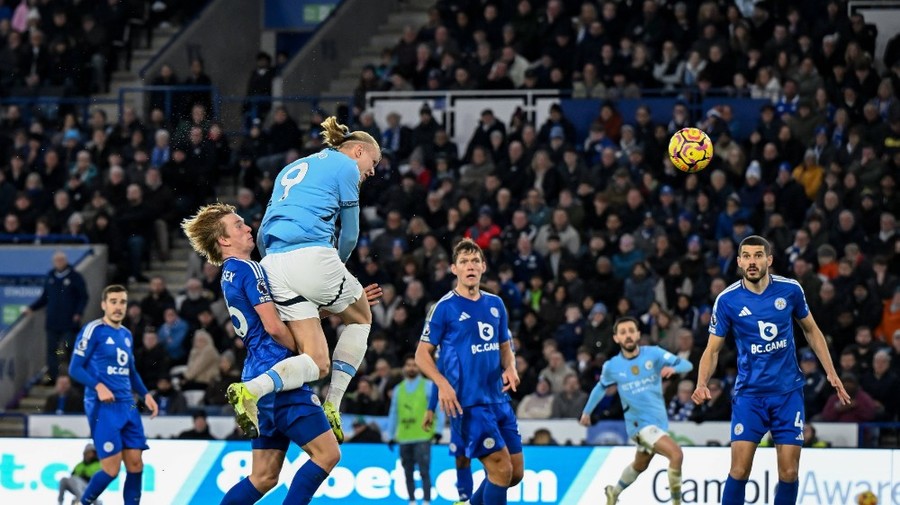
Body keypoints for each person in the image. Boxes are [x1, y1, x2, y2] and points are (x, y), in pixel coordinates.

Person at [181, 203, 380, 504]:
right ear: (223, 241)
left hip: (255, 373)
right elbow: (275, 327)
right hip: (279, 377)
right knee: (327, 455)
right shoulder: (250, 269)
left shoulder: (229, 274)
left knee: (263, 478)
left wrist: (340, 310)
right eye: (238, 226)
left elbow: (276, 322)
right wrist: (304, 350)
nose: (248, 228)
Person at [692, 235, 849, 505]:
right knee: (739, 470)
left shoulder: (790, 290)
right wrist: (701, 382)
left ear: (769, 259)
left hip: (787, 393)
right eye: (747, 256)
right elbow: (712, 349)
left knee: (789, 472)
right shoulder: (727, 300)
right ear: (739, 261)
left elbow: (811, 330)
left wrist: (831, 372)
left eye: (758, 256)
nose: (752, 262)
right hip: (749, 396)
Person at [256, 116, 381, 443]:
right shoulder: (346, 169)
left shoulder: (292, 167)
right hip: (312, 255)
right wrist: (333, 268)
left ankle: (252, 389)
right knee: (362, 318)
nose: (373, 171)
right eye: (373, 161)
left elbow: (260, 234)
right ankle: (333, 404)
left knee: (314, 357)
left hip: (272, 261)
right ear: (357, 151)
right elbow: (351, 235)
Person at [416, 238, 524, 505]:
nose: (470, 266)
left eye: (475, 260)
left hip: (498, 399)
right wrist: (442, 384)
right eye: (464, 261)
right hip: (468, 403)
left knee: (515, 473)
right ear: (454, 269)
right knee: (500, 469)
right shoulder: (444, 308)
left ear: (483, 267)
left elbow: (503, 344)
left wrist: (510, 366)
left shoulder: (496, 304)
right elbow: (421, 354)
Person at [580, 316, 692, 505]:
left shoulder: (654, 354)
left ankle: (614, 492)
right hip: (638, 425)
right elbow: (600, 387)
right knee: (676, 454)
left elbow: (686, 364)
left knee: (640, 465)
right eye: (623, 333)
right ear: (616, 338)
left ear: (638, 334)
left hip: (658, 422)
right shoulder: (612, 366)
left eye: (631, 331)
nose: (628, 336)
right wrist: (587, 412)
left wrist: (673, 370)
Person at [67, 284, 159, 505]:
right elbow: (75, 368)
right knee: (111, 469)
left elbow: (131, 370)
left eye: (123, 302)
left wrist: (145, 394)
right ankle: (83, 502)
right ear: (104, 305)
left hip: (127, 405)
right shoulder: (94, 330)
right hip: (103, 408)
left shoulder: (126, 335)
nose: (118, 307)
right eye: (114, 302)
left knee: (136, 464)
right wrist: (98, 386)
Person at [25, 251, 88, 384]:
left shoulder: (75, 277)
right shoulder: (50, 276)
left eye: (61, 260)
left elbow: (83, 297)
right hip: (53, 321)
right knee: (51, 350)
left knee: (69, 347)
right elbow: (44, 297)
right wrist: (32, 307)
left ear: (66, 261)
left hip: (70, 322)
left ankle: (74, 378)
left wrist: (79, 312)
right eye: (56, 260)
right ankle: (52, 377)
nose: (59, 263)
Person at [386, 354, 442, 505]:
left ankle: (426, 501)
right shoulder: (398, 389)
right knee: (407, 472)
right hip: (404, 436)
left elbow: (438, 408)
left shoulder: (428, 385)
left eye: (414, 365)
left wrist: (439, 430)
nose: (411, 368)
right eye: (409, 365)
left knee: (424, 471)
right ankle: (411, 501)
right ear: (405, 368)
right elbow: (394, 412)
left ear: (419, 367)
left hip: (423, 435)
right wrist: (390, 435)